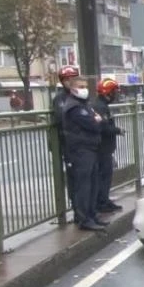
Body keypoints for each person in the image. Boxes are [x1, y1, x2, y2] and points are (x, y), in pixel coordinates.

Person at [61, 76, 107, 231]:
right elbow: (93, 124)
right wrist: (97, 121)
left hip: (90, 148)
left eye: (85, 86)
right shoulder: (74, 107)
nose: (84, 89)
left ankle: (91, 215)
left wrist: (98, 121)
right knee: (83, 186)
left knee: (92, 184)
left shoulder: (84, 105)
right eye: (80, 86)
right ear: (72, 88)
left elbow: (100, 122)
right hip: (80, 150)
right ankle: (84, 218)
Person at [89, 78, 125, 214]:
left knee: (106, 175)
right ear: (108, 93)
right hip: (102, 147)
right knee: (104, 175)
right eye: (114, 92)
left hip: (104, 147)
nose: (115, 95)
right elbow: (103, 127)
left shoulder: (101, 105)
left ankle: (104, 200)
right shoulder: (100, 107)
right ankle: (102, 202)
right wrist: (117, 130)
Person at [51, 65, 81, 214]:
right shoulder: (60, 99)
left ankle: (88, 208)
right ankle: (77, 208)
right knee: (74, 177)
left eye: (73, 78)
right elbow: (60, 119)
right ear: (62, 81)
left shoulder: (80, 95)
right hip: (70, 144)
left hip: (83, 143)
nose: (70, 82)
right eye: (67, 79)